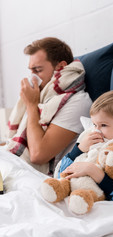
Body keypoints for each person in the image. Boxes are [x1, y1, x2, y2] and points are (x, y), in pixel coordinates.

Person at [1, 37, 92, 175]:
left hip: (38, 175)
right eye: (31, 71)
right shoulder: (43, 97)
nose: (33, 78)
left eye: (37, 70)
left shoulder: (78, 102)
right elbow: (15, 143)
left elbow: (38, 155)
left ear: (60, 67)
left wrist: (31, 105)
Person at [53, 89, 113, 202]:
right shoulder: (90, 142)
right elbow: (60, 174)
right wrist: (79, 150)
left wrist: (94, 171)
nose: (96, 131)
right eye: (94, 124)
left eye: (103, 125)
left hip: (92, 200)